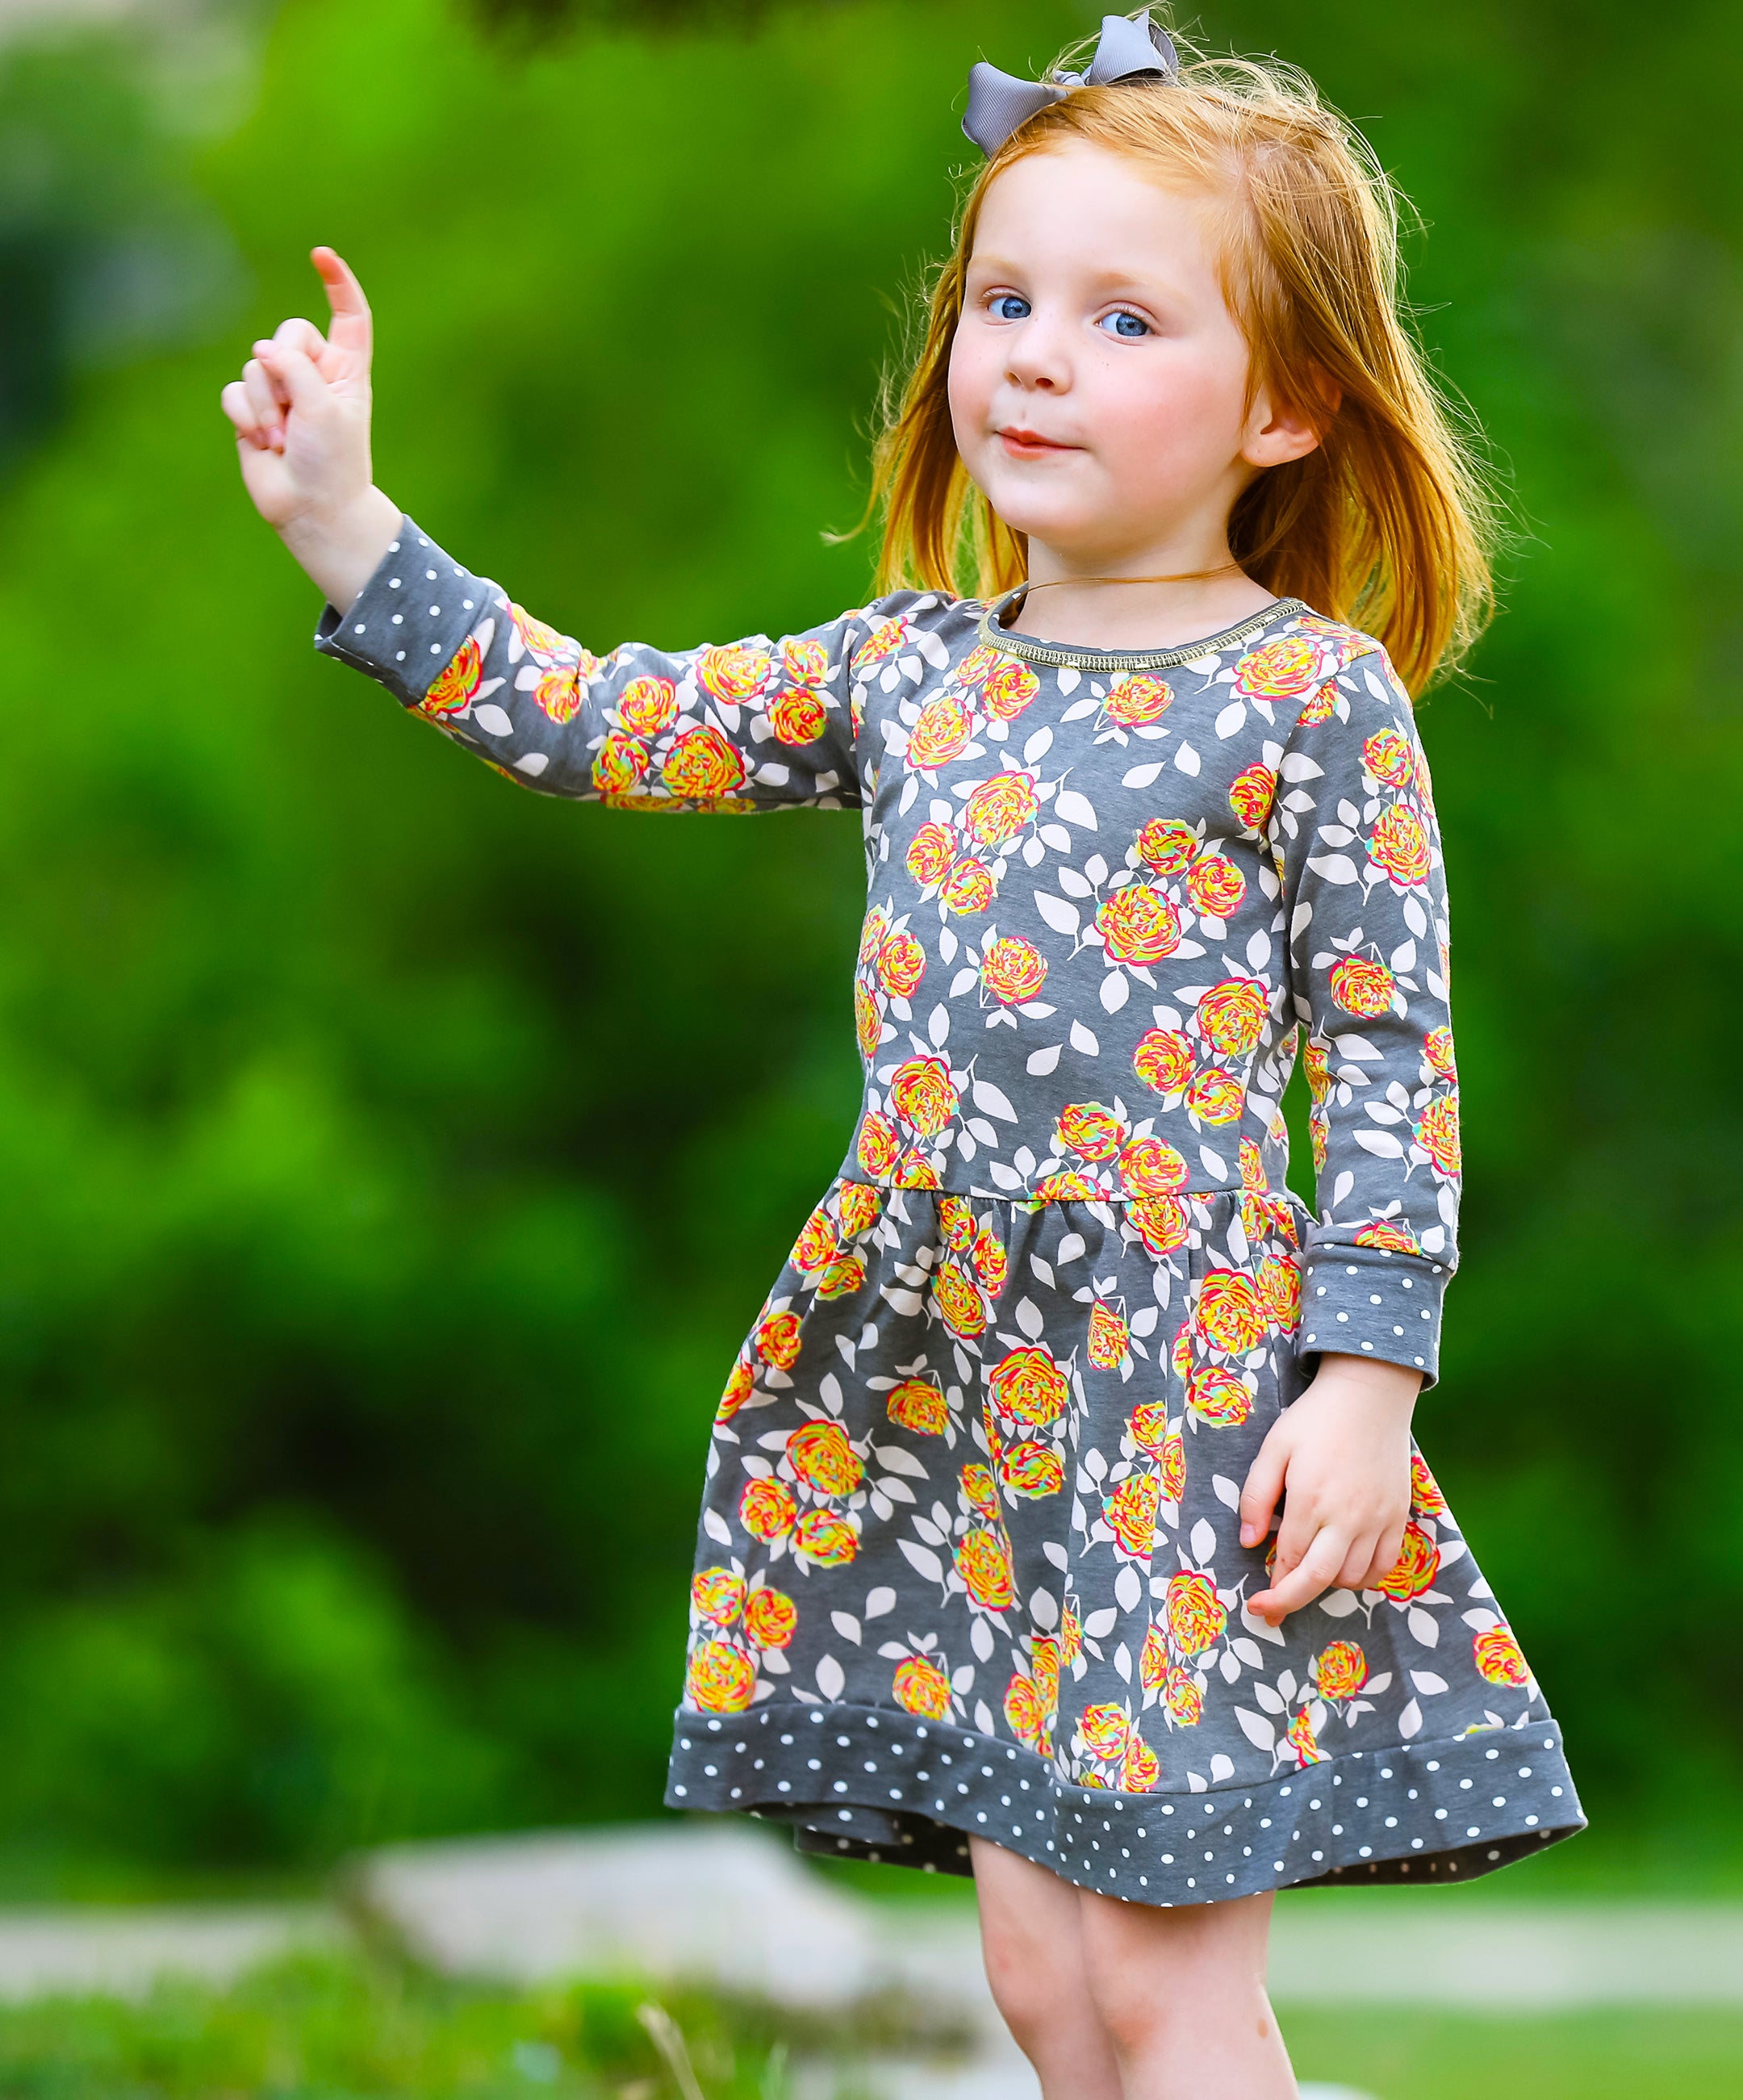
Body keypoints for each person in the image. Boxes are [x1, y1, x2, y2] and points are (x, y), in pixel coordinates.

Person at [221, 13, 1582, 2094]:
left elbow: (1390, 1055)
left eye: (1124, 319)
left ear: (1288, 408)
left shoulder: (1313, 701)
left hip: (1177, 1388)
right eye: (1005, 299)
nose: (1033, 352)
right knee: (1040, 1984)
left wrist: (1368, 1374)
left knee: (1166, 1992)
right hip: (945, 1356)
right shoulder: (907, 668)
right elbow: (602, 720)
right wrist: (350, 532)